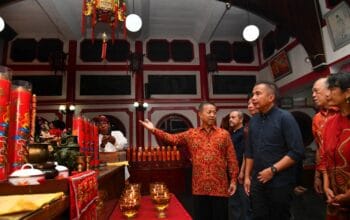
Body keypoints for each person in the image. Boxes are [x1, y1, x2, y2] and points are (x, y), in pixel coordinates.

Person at [139, 102, 239, 220]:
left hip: (220, 186)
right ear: (200, 115)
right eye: (209, 112)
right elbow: (172, 139)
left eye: (214, 112)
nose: (212, 115)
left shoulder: (224, 134)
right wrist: (154, 129)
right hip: (199, 187)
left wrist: (233, 179)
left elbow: (231, 158)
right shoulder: (191, 134)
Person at [244, 81, 305, 220]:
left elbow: (297, 151)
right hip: (258, 181)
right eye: (253, 94)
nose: (253, 98)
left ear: (271, 97)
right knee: (259, 216)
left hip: (280, 181)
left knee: (279, 216)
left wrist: (272, 170)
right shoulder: (253, 121)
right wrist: (247, 176)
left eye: (258, 94)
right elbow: (250, 151)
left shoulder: (285, 118)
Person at [317, 72, 350, 220]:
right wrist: (326, 186)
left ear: (348, 92)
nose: (328, 93)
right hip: (335, 199)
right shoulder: (330, 122)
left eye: (333, 88)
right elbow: (324, 156)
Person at [311, 77, 339, 194]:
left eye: (316, 91)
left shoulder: (343, 112)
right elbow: (319, 148)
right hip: (326, 174)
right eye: (312, 92)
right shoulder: (317, 118)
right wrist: (317, 175)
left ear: (329, 91)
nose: (313, 95)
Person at [228, 110, 251, 220]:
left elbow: (246, 154)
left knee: (244, 202)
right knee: (234, 201)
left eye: (233, 117)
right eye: (230, 117)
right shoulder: (232, 133)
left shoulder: (244, 133)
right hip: (232, 172)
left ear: (241, 119)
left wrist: (242, 172)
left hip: (241, 172)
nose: (230, 119)